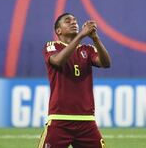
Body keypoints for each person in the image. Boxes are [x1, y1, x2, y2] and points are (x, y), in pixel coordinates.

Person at [38, 13, 111, 148]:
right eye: (68, 21)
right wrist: (81, 35)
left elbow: (106, 63)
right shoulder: (52, 46)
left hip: (86, 120)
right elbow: (58, 61)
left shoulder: (87, 50)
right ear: (58, 31)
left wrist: (95, 38)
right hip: (59, 120)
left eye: (75, 21)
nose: (73, 23)